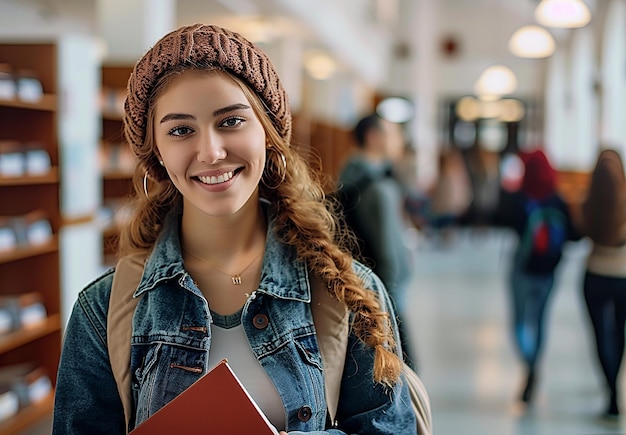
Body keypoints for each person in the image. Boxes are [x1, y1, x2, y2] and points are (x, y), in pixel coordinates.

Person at [52, 24, 417, 434]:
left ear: (268, 133)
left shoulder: (345, 291)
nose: (211, 151)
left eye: (230, 121)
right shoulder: (103, 310)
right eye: (180, 130)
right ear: (156, 151)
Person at [493, 148, 581, 404]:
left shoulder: (520, 198)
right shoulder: (558, 199)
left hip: (522, 268)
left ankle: (529, 363)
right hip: (549, 270)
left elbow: (500, 218)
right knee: (540, 319)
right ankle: (535, 363)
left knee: (519, 322)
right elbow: (574, 235)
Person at [336, 114, 417, 370]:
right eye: (393, 133)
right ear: (373, 138)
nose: (399, 140)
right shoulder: (379, 188)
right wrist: (391, 299)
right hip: (385, 291)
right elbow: (388, 251)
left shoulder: (349, 176)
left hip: (363, 284)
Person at [579, 148, 626, 419]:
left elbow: (578, 231)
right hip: (623, 276)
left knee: (600, 335)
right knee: (619, 333)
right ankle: (614, 388)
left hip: (595, 274)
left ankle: (610, 388)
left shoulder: (590, 202)